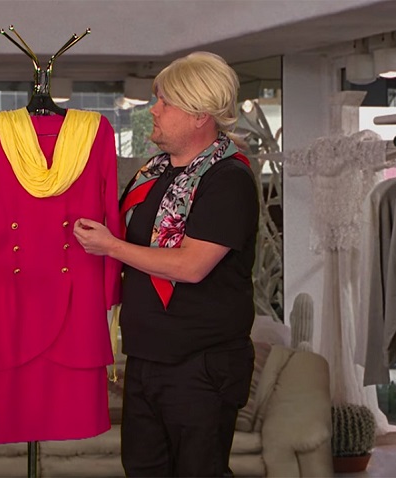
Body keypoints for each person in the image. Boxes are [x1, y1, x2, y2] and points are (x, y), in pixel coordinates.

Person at [73, 51, 260, 477]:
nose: (153, 110)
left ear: (199, 114)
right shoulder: (154, 173)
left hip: (200, 363)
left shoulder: (227, 179)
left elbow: (191, 265)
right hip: (146, 356)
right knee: (143, 469)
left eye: (165, 102)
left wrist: (111, 247)